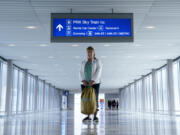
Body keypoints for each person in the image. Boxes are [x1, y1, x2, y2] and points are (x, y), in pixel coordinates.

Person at [80, 46, 103, 122]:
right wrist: (83, 80)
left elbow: (99, 71)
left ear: (94, 53)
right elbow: (81, 71)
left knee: (94, 99)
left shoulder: (97, 61)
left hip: (95, 83)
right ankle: (88, 116)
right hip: (85, 84)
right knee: (86, 99)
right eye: (88, 52)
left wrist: (93, 80)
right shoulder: (84, 62)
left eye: (91, 52)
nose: (89, 53)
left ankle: (95, 116)